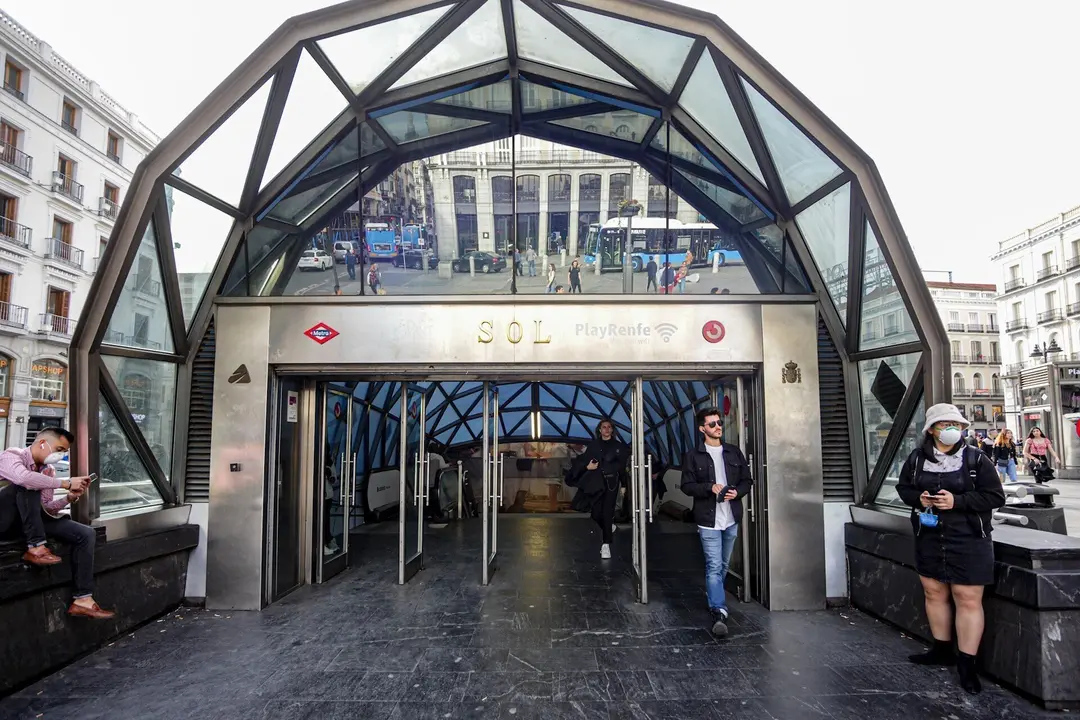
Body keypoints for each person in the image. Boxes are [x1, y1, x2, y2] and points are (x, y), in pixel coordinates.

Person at [895, 404, 1005, 694]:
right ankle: (941, 649)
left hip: (969, 537)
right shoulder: (917, 459)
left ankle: (967, 663)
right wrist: (919, 499)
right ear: (931, 429)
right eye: (944, 424)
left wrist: (958, 502)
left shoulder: (976, 459)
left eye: (956, 424)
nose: (951, 429)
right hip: (930, 535)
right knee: (934, 592)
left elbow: (995, 496)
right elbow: (904, 489)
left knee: (967, 596)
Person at [0, 428, 114, 619]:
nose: (59, 455)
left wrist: (68, 498)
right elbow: (24, 479)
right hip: (4, 521)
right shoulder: (11, 456)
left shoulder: (48, 471)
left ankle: (83, 599)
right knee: (28, 482)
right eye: (59, 449)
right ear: (42, 443)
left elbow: (45, 507)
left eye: (64, 452)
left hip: (27, 523)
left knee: (86, 534)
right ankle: (36, 547)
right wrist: (66, 483)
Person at [680, 407, 753, 638]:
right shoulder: (693, 456)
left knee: (722, 565)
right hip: (708, 519)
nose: (718, 427)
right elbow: (687, 486)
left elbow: (747, 480)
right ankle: (719, 611)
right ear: (702, 429)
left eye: (719, 422)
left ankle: (714, 595)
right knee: (713, 566)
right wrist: (709, 487)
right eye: (712, 424)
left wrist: (738, 492)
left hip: (731, 518)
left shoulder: (733, 452)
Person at [569, 418, 629, 560]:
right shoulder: (594, 446)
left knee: (607, 513)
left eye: (609, 427)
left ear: (612, 430)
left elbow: (621, 468)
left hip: (611, 483)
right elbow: (584, 461)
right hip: (596, 483)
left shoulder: (619, 447)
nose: (606, 429)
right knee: (596, 514)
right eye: (604, 427)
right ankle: (609, 527)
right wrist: (587, 467)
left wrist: (624, 485)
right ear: (600, 430)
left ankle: (606, 545)